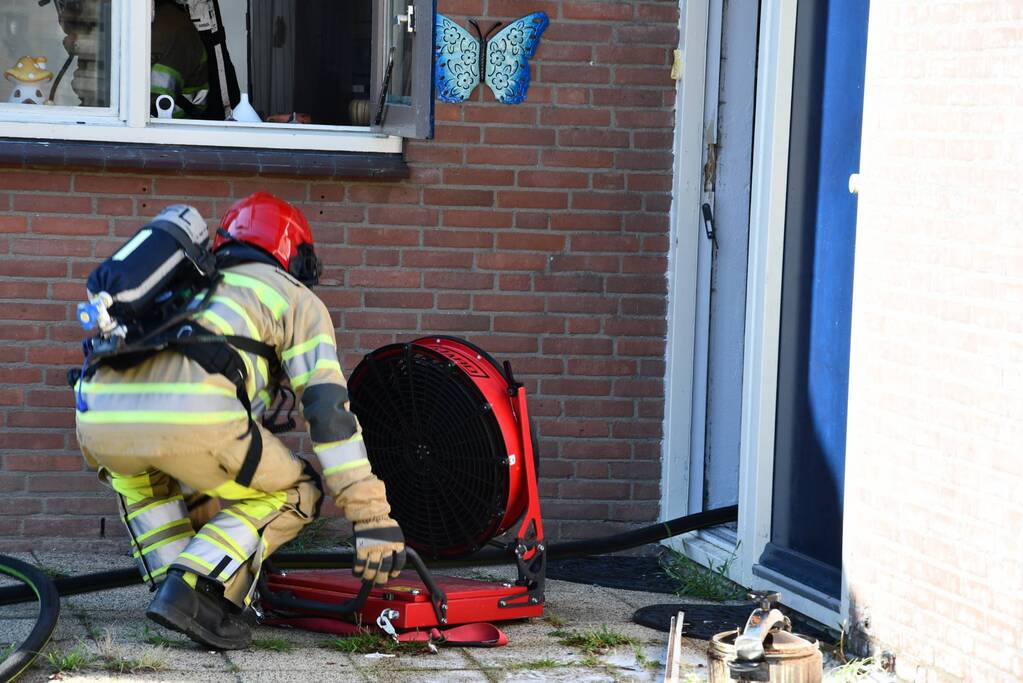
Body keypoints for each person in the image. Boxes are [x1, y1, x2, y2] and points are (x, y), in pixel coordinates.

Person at [74, 193, 406, 650]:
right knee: (298, 490)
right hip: (194, 417)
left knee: (153, 483)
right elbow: (328, 412)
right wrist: (371, 517)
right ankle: (194, 590)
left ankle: (174, 592)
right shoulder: (295, 298)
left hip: (98, 416)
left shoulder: (186, 281)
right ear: (296, 256)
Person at [150, 0, 210, 118]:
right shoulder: (165, 18)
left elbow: (158, 101)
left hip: (175, 121)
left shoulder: (171, 29)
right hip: (165, 118)